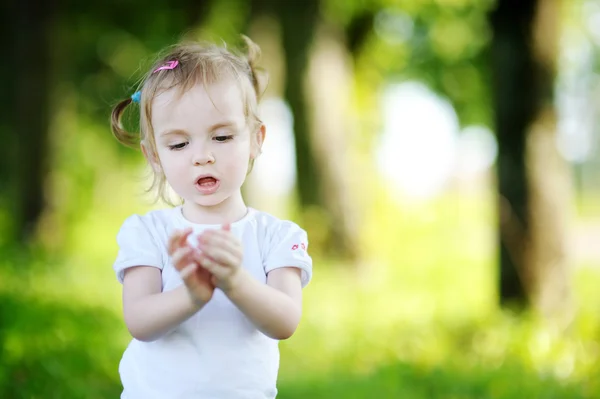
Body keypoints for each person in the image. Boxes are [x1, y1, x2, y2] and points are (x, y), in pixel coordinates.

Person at [109, 35, 313, 399]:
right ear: (155, 156)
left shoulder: (277, 236)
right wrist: (193, 294)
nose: (202, 156)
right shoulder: (148, 233)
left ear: (255, 139)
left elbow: (285, 321)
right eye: (179, 144)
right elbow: (139, 321)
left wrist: (235, 281)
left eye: (221, 137)